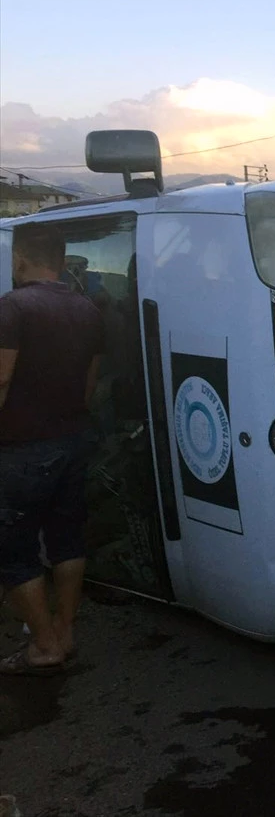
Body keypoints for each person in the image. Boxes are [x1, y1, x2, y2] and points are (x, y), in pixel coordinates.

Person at [0, 224, 105, 676]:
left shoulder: (13, 307)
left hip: (23, 447)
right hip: (74, 439)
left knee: (13, 549)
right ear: (62, 262)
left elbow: (1, 379)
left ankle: (43, 646)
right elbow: (89, 386)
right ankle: (64, 630)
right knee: (67, 538)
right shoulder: (88, 309)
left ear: (20, 259)